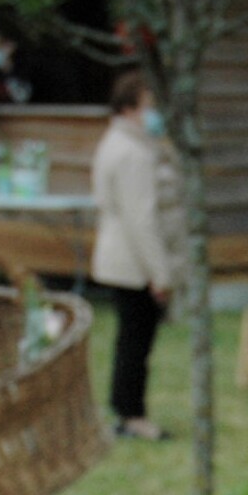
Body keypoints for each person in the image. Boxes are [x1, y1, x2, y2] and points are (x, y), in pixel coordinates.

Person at [91, 70, 184, 441]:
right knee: (135, 342)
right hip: (134, 264)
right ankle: (132, 414)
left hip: (127, 261)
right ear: (129, 108)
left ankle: (126, 408)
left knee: (132, 339)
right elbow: (142, 219)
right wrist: (160, 274)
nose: (155, 113)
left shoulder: (128, 143)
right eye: (149, 106)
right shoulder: (132, 152)